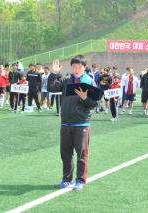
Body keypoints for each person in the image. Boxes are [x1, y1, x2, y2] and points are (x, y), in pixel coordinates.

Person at [48, 55, 97, 191]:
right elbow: (51, 88)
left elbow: (94, 103)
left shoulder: (89, 81)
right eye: (74, 66)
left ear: (84, 68)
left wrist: (85, 98)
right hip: (66, 123)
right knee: (65, 153)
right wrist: (54, 74)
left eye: (79, 67)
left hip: (81, 123)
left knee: (81, 154)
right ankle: (66, 179)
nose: (76, 69)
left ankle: (80, 180)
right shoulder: (66, 81)